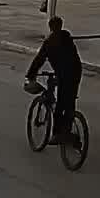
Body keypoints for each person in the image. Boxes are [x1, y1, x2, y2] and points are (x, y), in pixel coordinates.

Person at [26, 16, 83, 144]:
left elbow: (38, 60)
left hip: (64, 74)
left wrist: (30, 75)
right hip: (76, 72)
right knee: (70, 100)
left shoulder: (49, 42)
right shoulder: (67, 38)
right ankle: (67, 128)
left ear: (50, 27)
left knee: (60, 104)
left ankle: (57, 134)